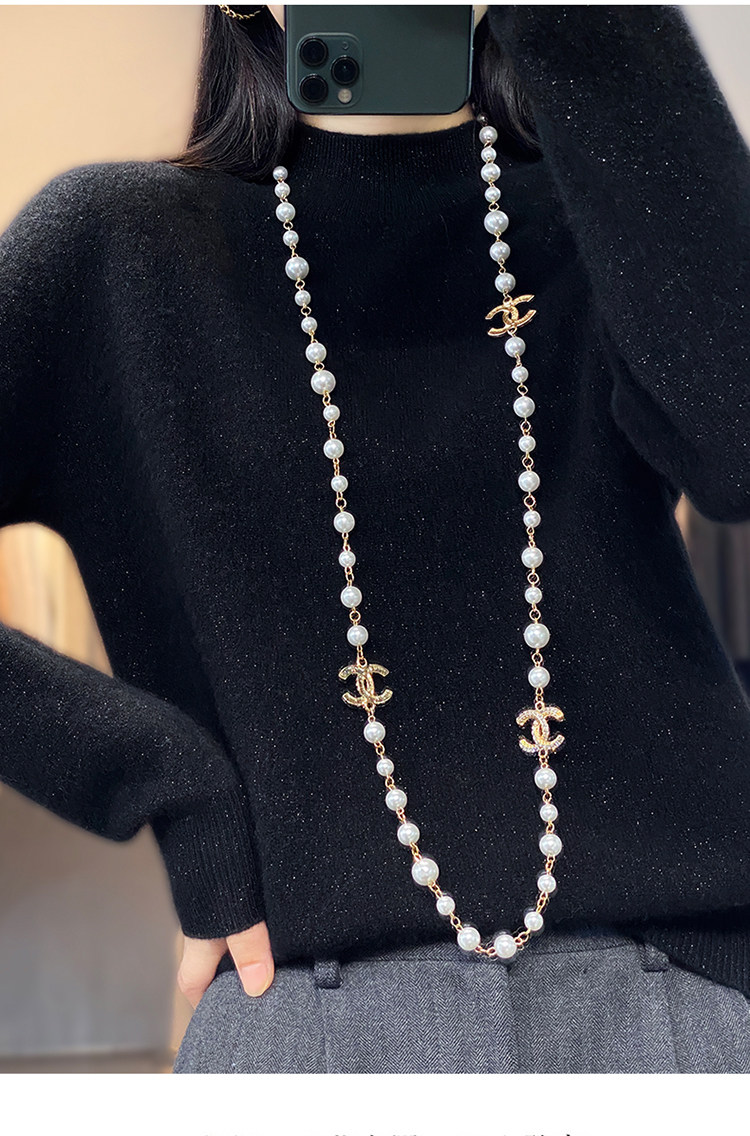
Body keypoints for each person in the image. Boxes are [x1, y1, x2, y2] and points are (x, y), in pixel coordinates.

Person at [2, 3, 750, 1072]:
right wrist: (160, 779)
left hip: (681, 1001)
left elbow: (736, 446)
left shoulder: (608, 217)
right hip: (310, 1024)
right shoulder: (118, 252)